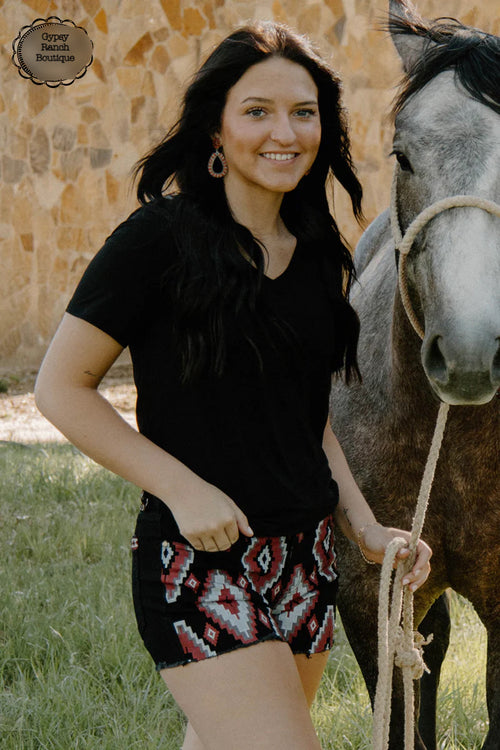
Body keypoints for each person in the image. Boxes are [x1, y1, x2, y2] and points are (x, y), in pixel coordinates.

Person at [35, 22, 432, 750]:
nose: (284, 132)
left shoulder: (318, 257)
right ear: (215, 129)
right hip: (197, 563)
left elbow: (308, 420)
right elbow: (61, 388)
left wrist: (365, 529)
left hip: (307, 563)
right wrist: (183, 489)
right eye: (257, 111)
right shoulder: (159, 240)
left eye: (303, 112)